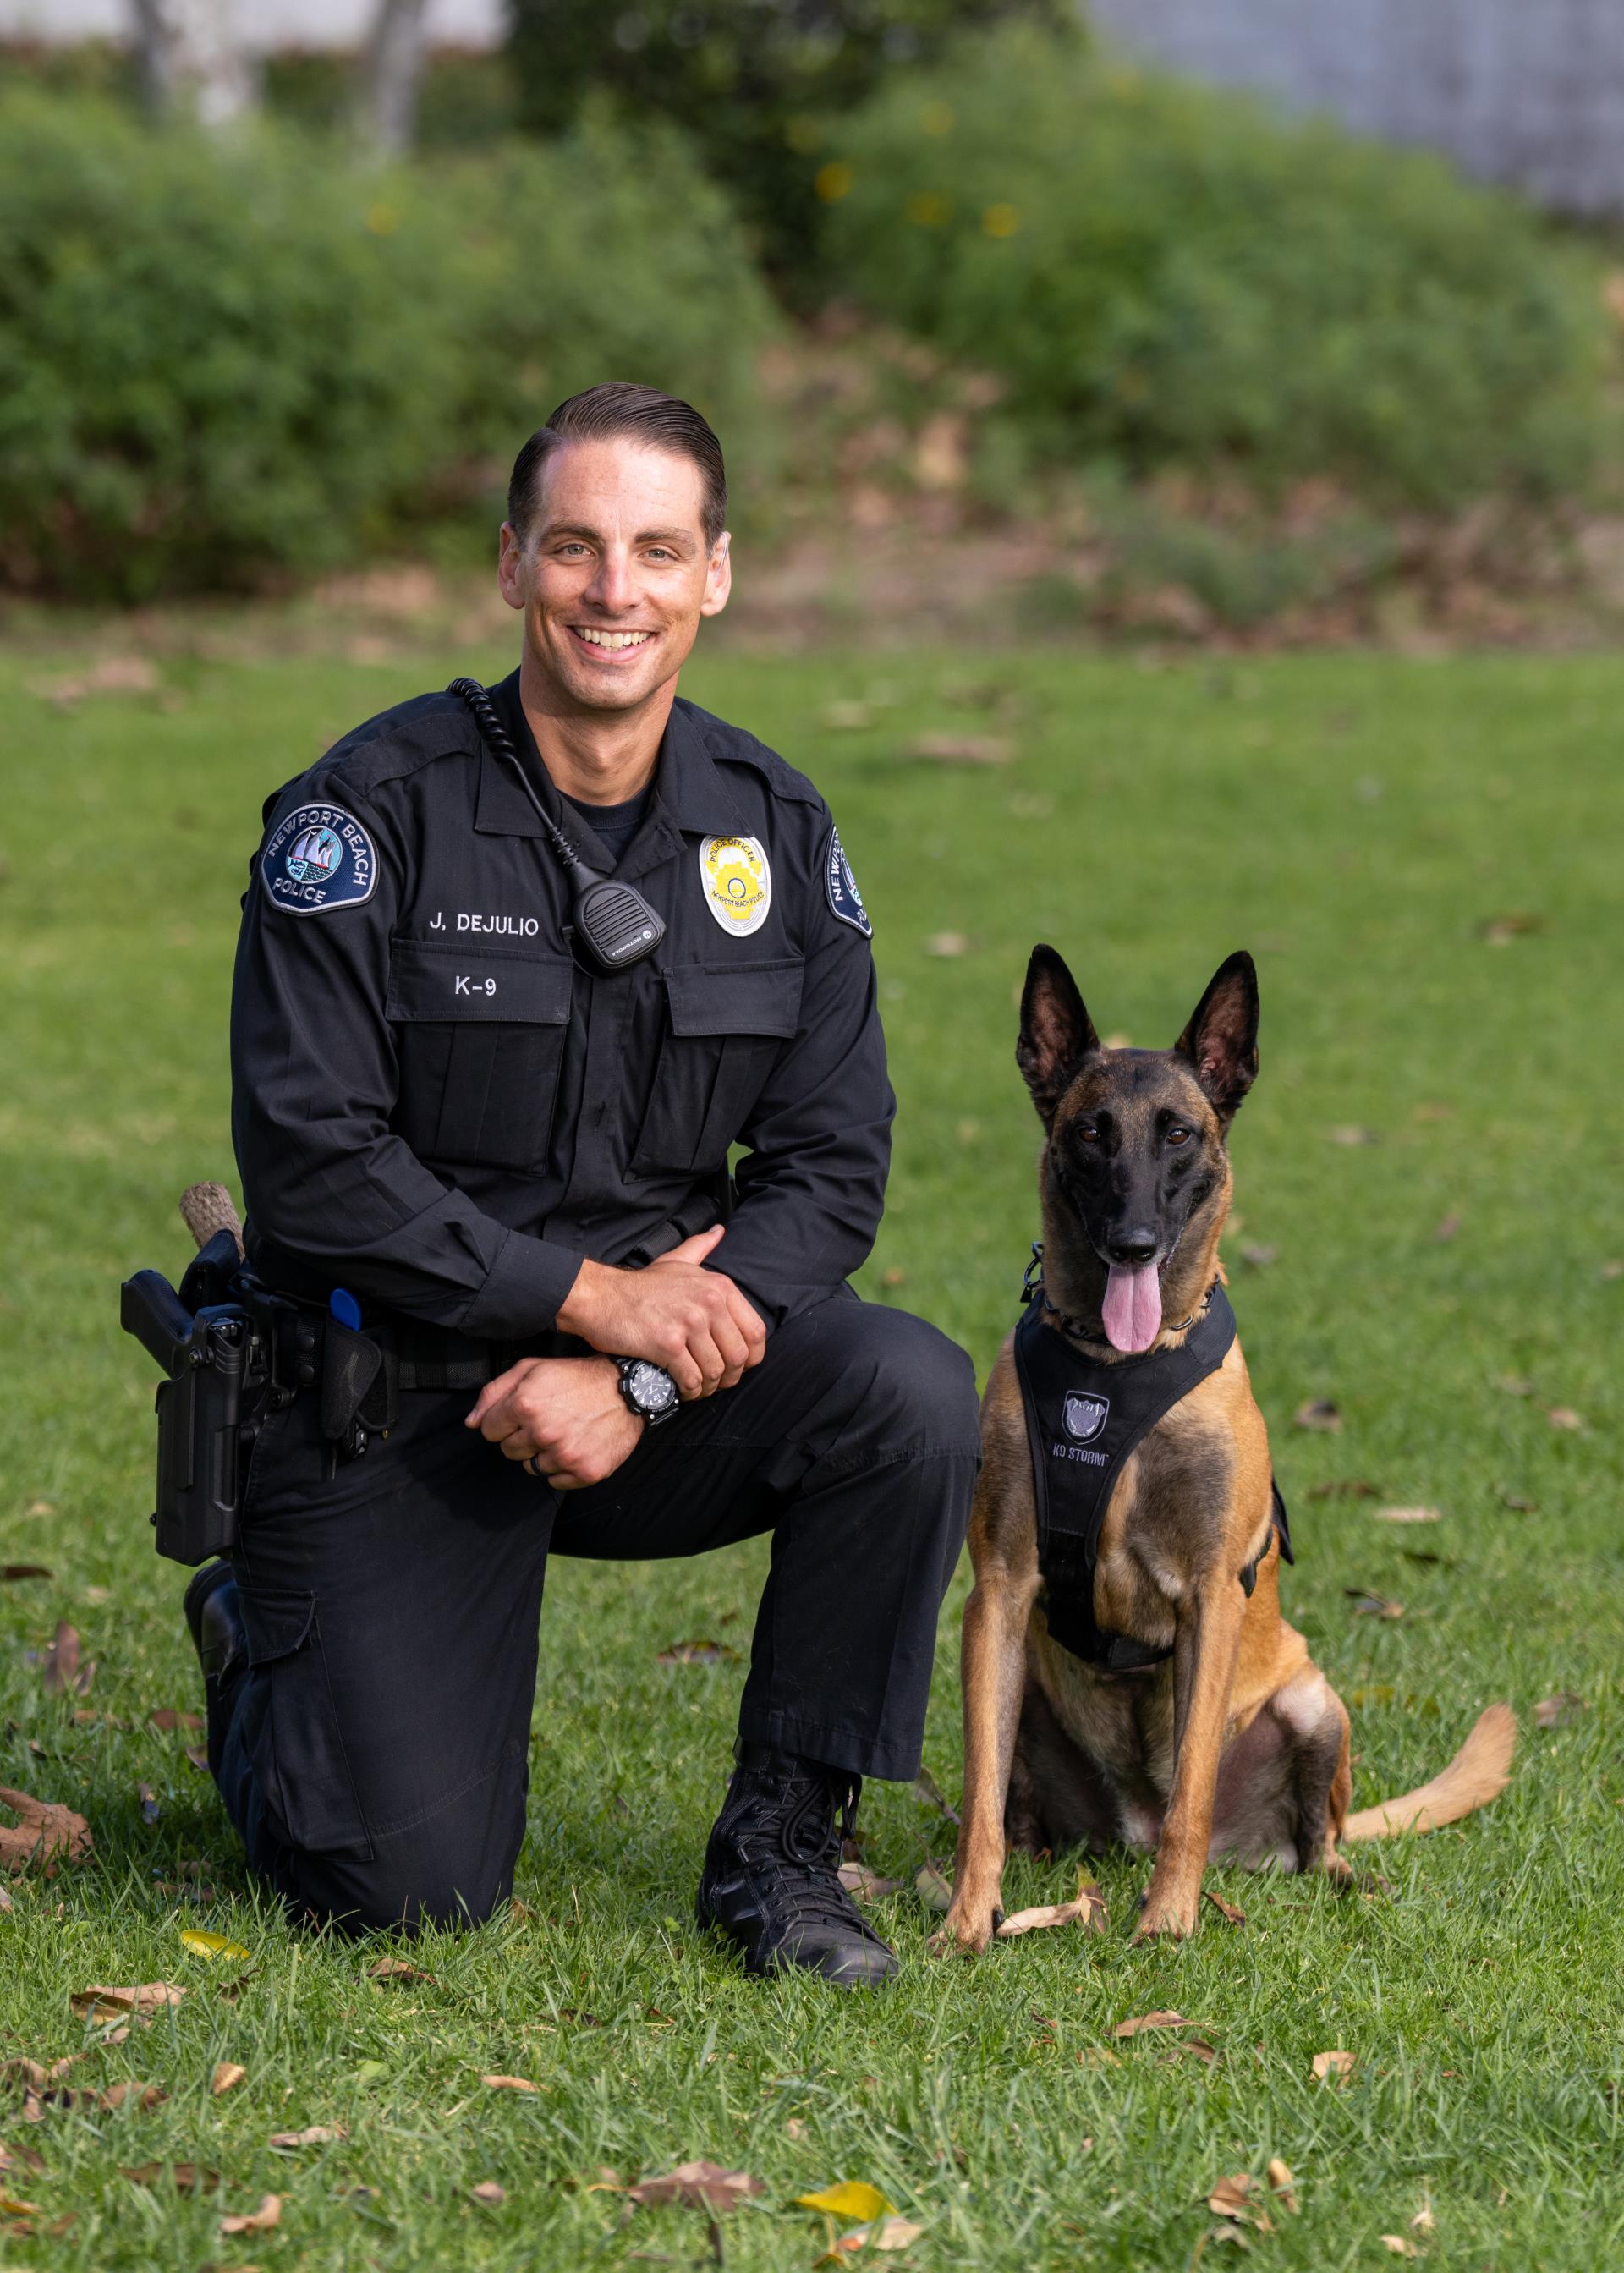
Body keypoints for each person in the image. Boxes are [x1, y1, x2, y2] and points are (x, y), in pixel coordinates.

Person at [188, 382, 980, 1986]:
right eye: (575, 547)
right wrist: (596, 1300)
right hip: (391, 1398)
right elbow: (311, 1168)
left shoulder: (772, 831)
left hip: (642, 1399)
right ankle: (258, 1639)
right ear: (509, 565)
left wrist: (634, 1367)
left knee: (906, 1390)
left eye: (656, 550)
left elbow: (833, 1165)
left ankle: (781, 1850)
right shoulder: (368, 820)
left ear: (716, 577)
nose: (614, 591)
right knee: (401, 1889)